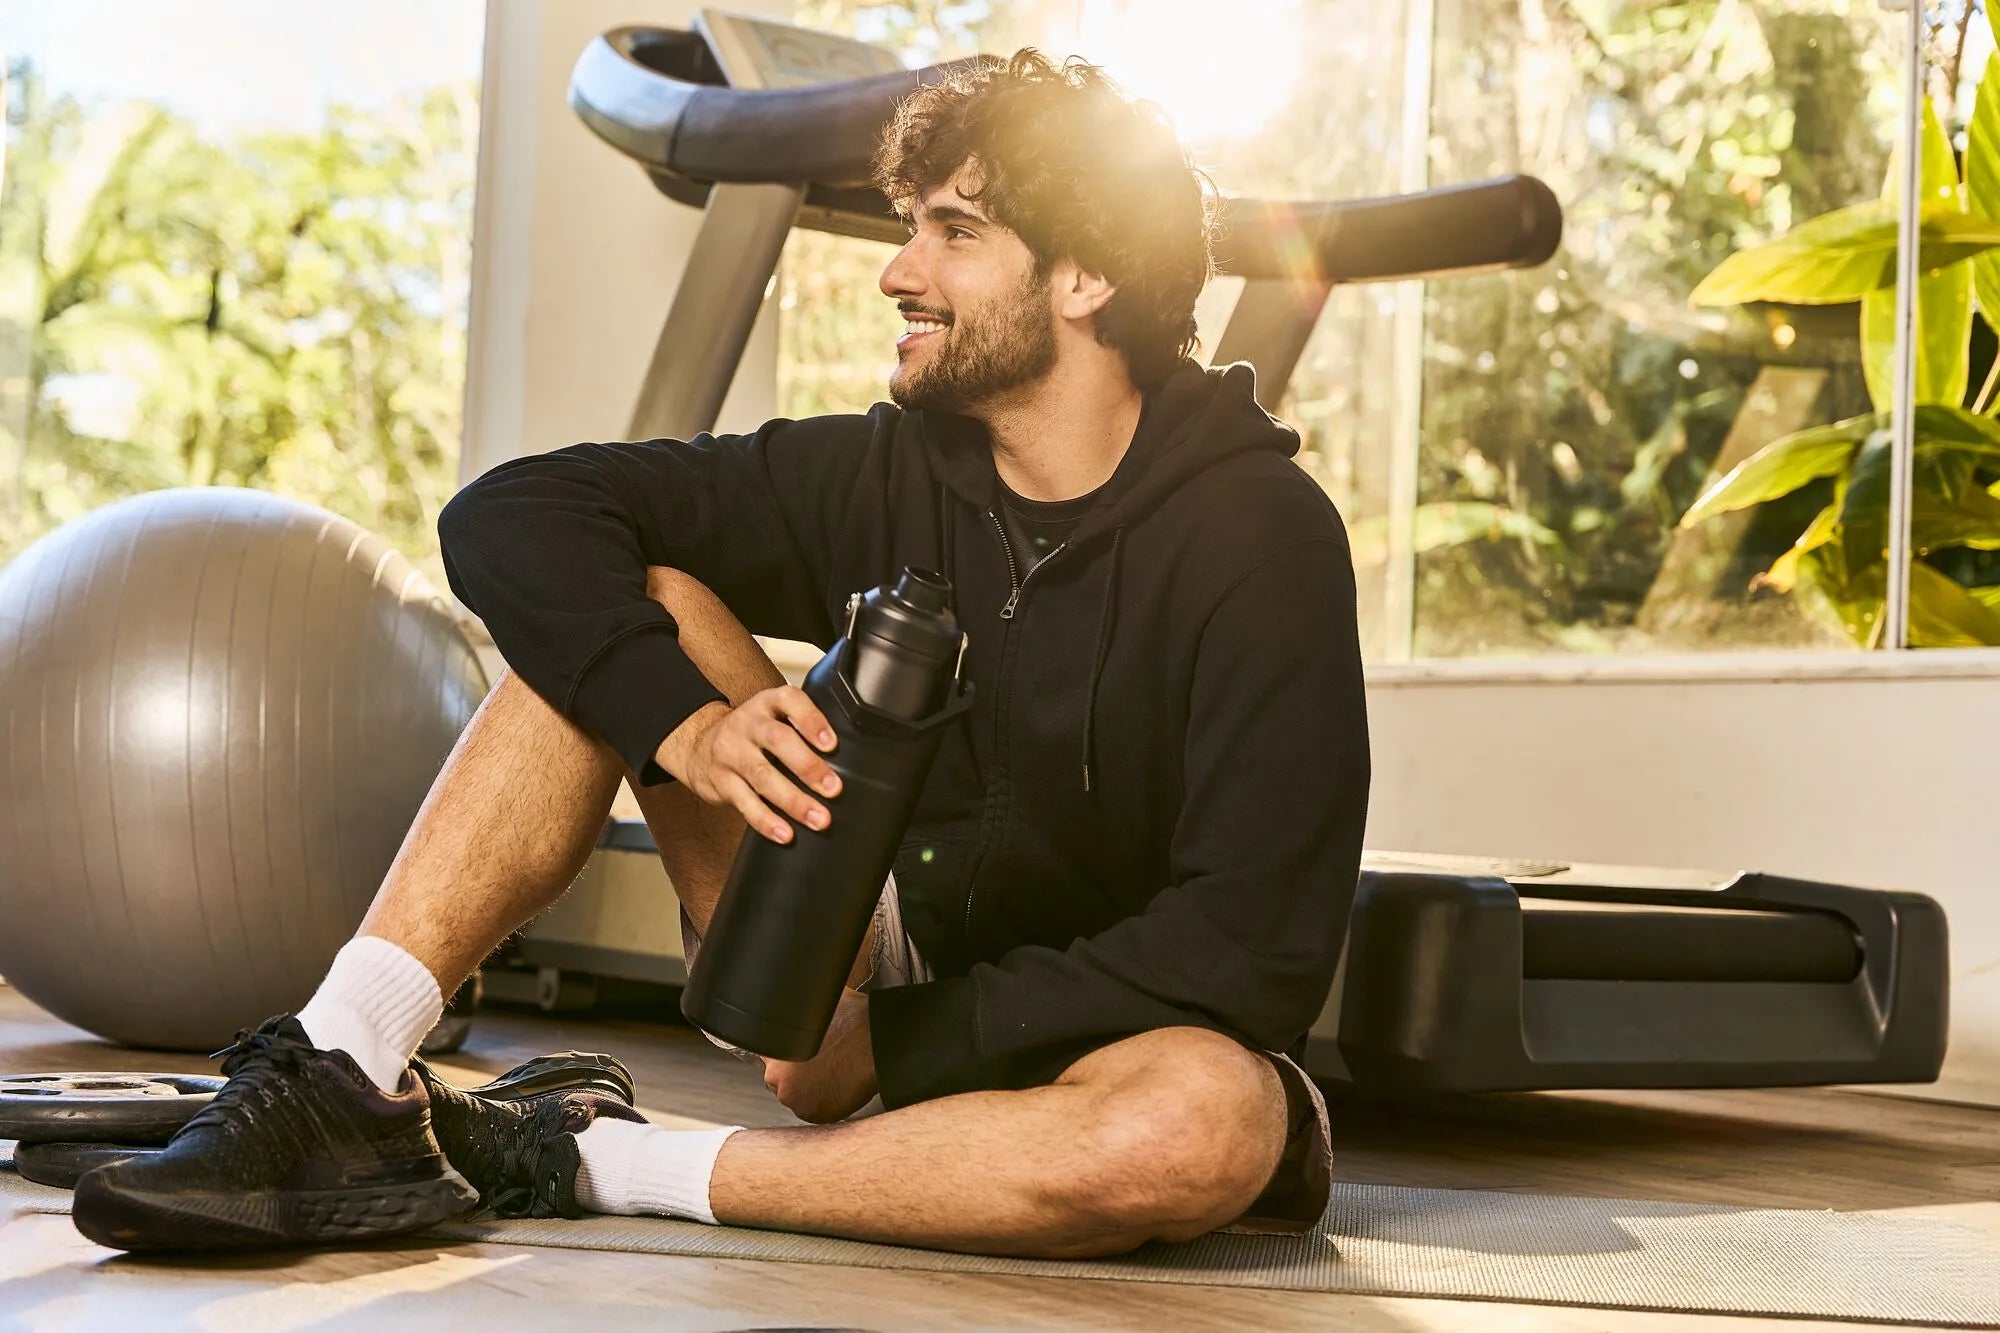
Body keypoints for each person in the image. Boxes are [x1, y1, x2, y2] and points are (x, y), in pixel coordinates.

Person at [72, 49, 1369, 1259]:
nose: (897, 272)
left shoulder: (1260, 539)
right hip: (849, 954)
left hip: (1106, 1033)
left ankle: (596, 1160)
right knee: (619, 599)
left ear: (1088, 275)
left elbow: (1247, 949)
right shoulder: (891, 470)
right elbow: (512, 515)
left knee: (1202, 1125)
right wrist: (683, 720)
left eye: (954, 233)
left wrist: (894, 1046)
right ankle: (344, 1067)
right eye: (908, 225)